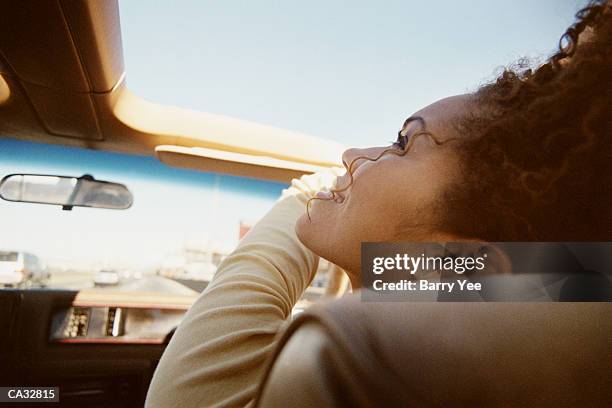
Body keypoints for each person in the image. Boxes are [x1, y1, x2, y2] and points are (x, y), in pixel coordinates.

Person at [145, 2, 611, 407]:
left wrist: (311, 194)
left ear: (461, 260)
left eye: (402, 143)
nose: (350, 156)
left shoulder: (346, 358)